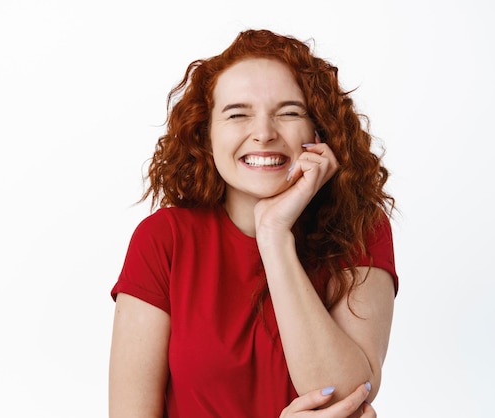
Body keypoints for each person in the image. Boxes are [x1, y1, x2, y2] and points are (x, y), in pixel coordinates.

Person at [109, 28, 398, 418]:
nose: (263, 133)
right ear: (206, 134)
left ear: (319, 131)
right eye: (237, 114)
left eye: (289, 112)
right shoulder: (164, 240)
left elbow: (346, 396)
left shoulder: (360, 228)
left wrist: (274, 235)